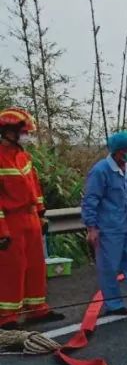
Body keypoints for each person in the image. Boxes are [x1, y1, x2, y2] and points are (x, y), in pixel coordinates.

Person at [0, 107, 63, 329]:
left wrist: (41, 214)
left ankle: (37, 309)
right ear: (8, 131)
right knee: (12, 269)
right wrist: (2, 230)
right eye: (22, 132)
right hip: (12, 221)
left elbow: (34, 188)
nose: (25, 136)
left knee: (35, 266)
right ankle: (8, 317)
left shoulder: (23, 156)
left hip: (31, 220)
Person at [81, 130, 127, 317]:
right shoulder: (101, 171)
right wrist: (91, 227)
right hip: (108, 228)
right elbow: (90, 200)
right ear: (117, 151)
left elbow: (125, 198)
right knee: (109, 267)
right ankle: (114, 305)